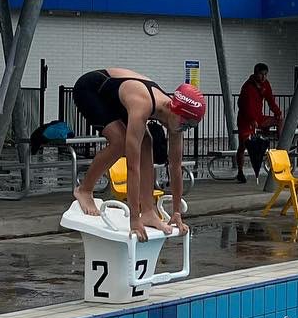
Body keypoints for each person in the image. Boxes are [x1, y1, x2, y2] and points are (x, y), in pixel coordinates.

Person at [71, 70, 206, 238]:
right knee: (119, 142)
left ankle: (149, 211)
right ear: (173, 108)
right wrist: (134, 219)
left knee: (146, 142)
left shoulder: (177, 119)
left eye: (189, 126)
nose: (183, 129)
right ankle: (84, 190)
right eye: (184, 124)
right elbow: (132, 167)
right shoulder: (143, 104)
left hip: (117, 97)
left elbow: (175, 166)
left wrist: (177, 212)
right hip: (91, 89)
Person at [234, 62, 282, 181]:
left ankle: (282, 144)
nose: (264, 77)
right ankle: (240, 171)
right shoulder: (248, 87)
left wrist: (278, 113)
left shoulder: (265, 85)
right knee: (243, 145)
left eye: (265, 75)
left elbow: (270, 100)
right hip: (246, 120)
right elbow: (243, 105)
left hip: (258, 118)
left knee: (280, 121)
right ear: (256, 74)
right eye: (261, 74)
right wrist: (251, 119)